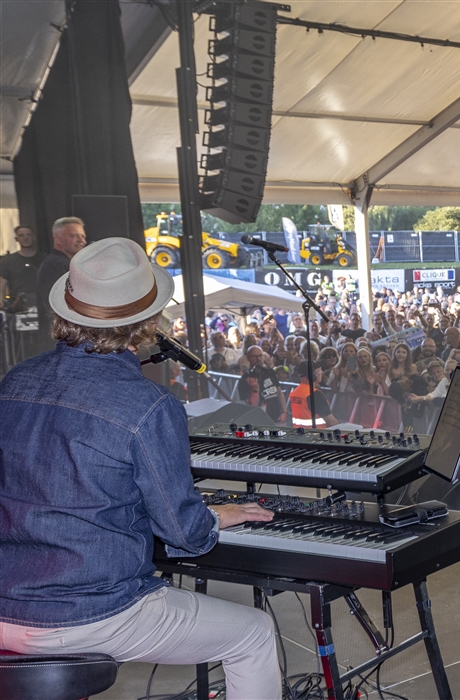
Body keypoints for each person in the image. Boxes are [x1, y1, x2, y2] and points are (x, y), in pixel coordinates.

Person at [0, 238, 279, 698]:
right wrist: (212, 516)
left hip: (7, 603)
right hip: (86, 613)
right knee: (253, 633)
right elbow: (186, 535)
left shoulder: (15, 380)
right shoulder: (148, 406)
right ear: (146, 324)